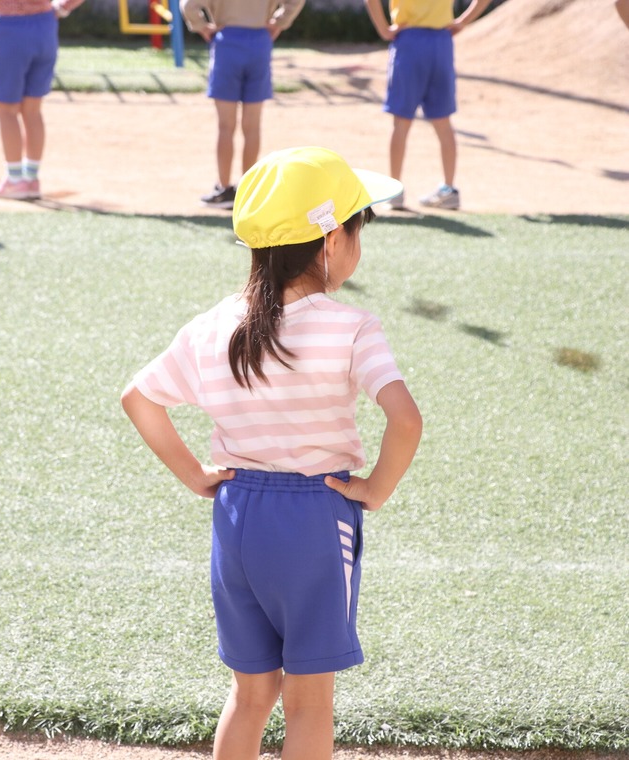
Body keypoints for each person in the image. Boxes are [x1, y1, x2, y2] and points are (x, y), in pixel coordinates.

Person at [121, 146, 422, 760]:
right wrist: (376, 488)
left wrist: (195, 475)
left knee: (251, 693)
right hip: (315, 513)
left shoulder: (212, 327)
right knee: (309, 702)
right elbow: (406, 419)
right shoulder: (352, 326)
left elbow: (138, 398)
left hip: (236, 516)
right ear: (333, 240)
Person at [365, 0, 491, 210]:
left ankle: (395, 192)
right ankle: (449, 189)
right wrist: (462, 21)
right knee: (443, 122)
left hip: (408, 41)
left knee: (401, 122)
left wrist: (383, 29)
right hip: (441, 41)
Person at [0, 0, 84, 201]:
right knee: (33, 110)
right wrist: (64, 7)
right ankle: (31, 178)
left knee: (6, 110)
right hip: (45, 27)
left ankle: (15, 180)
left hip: (9, 28)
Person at [181, 0, 305, 210]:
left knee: (225, 126)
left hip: (227, 42)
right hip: (259, 42)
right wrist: (278, 23)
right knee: (252, 126)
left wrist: (202, 26)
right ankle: (250, 190)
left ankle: (224, 188)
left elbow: (187, 5)